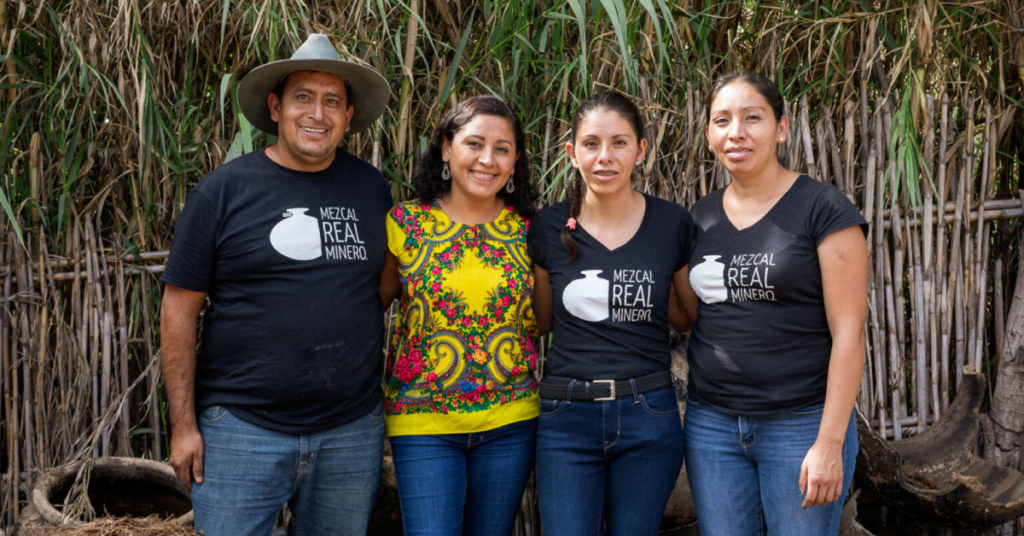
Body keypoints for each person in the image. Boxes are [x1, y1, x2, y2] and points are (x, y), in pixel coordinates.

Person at [160, 34, 392, 536]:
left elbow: (380, 287)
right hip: (241, 428)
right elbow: (179, 310)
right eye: (303, 97)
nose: (318, 113)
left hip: (350, 431)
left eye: (333, 101)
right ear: (276, 106)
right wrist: (183, 426)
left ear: (349, 117)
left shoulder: (371, 189)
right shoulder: (223, 191)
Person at [680, 72, 867, 536]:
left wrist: (829, 442)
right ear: (709, 136)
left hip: (799, 425)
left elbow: (849, 331)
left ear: (782, 128)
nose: (736, 132)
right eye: (722, 120)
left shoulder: (823, 208)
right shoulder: (700, 217)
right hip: (712, 427)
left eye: (752, 118)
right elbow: (685, 313)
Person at [527, 91, 698, 536]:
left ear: (641, 149)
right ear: (571, 152)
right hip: (566, 416)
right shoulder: (547, 226)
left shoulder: (671, 223)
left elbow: (685, 317)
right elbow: (542, 321)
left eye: (619, 143)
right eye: (591, 144)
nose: (605, 157)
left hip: (648, 413)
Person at [379, 95, 541, 536]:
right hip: (423, 420)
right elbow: (367, 307)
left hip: (509, 421)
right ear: (446, 148)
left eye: (502, 149)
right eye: (474, 144)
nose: (488, 159)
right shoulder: (404, 224)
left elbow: (548, 320)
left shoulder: (533, 231)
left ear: (515, 161)